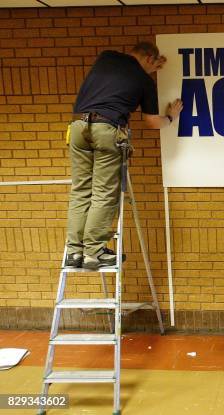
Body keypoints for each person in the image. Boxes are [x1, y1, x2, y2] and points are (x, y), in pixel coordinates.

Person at [65, 42, 183, 269]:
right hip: (107, 130)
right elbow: (152, 122)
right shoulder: (145, 81)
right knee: (103, 193)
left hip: (78, 125)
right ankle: (94, 252)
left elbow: (123, 73)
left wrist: (148, 67)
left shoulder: (106, 56)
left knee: (80, 190)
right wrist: (171, 116)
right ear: (150, 59)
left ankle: (74, 252)